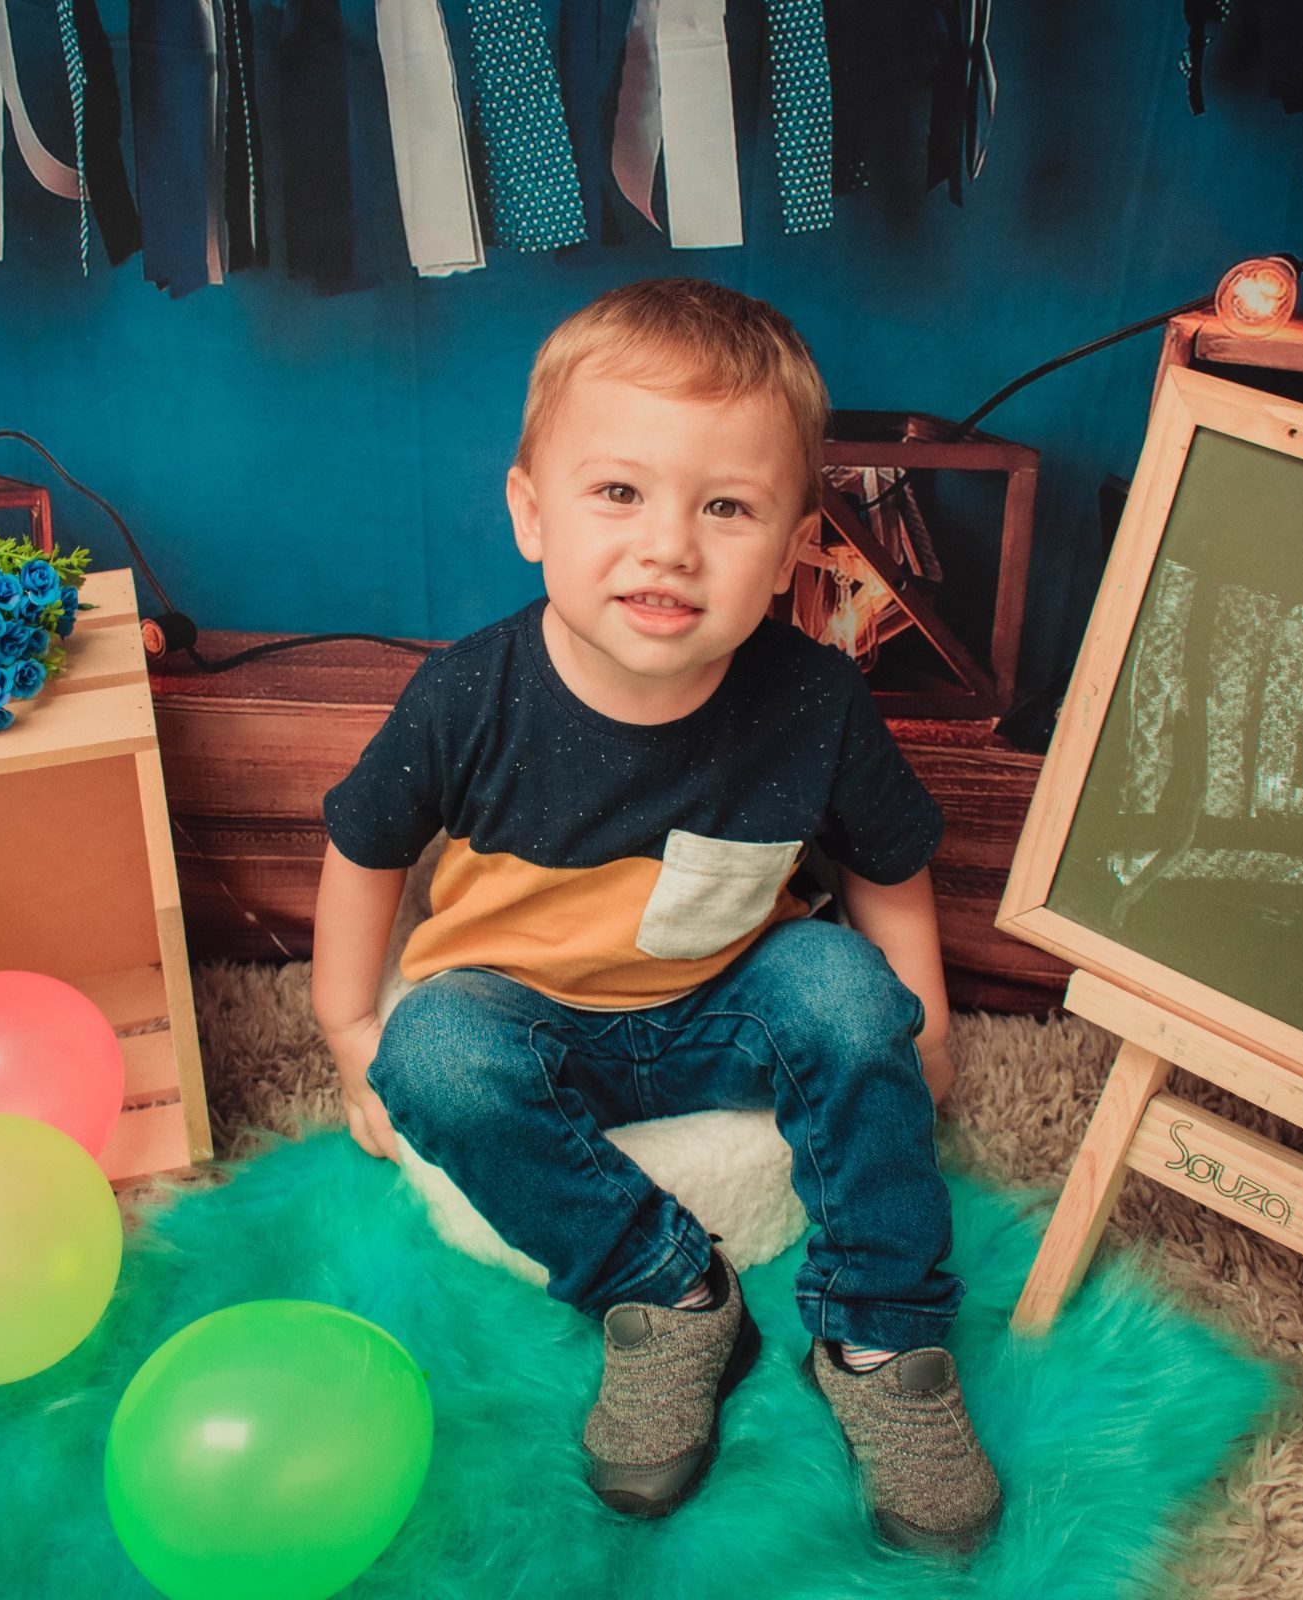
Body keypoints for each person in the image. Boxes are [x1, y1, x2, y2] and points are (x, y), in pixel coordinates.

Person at [311, 278, 1000, 1555]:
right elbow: (363, 851)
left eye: (726, 507)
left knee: (853, 994)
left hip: (725, 1002)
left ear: (793, 548)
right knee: (433, 1052)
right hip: (526, 1016)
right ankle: (668, 1290)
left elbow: (887, 867)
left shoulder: (814, 699)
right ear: (533, 513)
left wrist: (932, 1027)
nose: (669, 545)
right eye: (619, 492)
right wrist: (351, 1027)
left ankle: (881, 1332)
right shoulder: (466, 696)